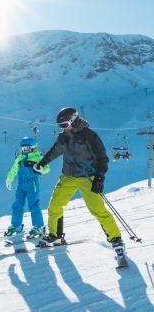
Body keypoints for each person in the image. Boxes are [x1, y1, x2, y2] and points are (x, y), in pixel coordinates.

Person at [34, 107, 125, 260]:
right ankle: (55, 236)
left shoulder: (89, 136)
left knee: (98, 210)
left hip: (87, 178)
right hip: (68, 177)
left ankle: (116, 239)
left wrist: (99, 178)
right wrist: (42, 163)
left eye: (64, 125)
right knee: (54, 206)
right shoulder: (63, 137)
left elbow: (102, 158)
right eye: (60, 126)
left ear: (74, 120)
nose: (63, 129)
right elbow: (55, 151)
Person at [3, 137, 50, 239]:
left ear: (33, 148)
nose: (25, 151)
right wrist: (9, 179)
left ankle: (39, 226)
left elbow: (47, 168)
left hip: (32, 183)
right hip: (21, 184)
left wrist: (42, 169)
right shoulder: (20, 158)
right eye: (23, 149)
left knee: (33, 205)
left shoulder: (38, 157)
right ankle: (16, 226)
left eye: (27, 148)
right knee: (17, 204)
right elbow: (14, 169)